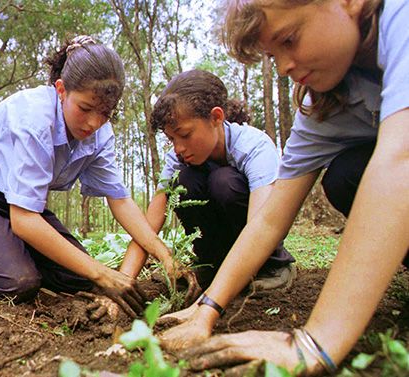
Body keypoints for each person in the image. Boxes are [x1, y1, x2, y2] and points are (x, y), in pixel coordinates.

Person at [159, 0, 409, 375]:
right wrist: (206, 309)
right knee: (345, 176)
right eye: (273, 55)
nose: (283, 67)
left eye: (289, 39)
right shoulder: (324, 103)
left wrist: (316, 340)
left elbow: (399, 159)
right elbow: (269, 219)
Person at [0, 36, 196, 318]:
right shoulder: (34, 118)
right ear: (61, 90)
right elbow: (24, 222)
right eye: (84, 108)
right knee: (18, 283)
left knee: (79, 278)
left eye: (105, 113)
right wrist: (103, 273)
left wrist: (163, 253)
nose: (93, 123)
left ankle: (0, 247)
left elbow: (119, 200)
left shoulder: (101, 136)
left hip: (19, 203)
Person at [120, 69, 295, 296]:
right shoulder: (177, 158)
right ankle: (210, 267)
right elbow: (151, 222)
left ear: (216, 117)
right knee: (184, 180)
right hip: (220, 253)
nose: (178, 148)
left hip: (257, 244)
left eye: (185, 135)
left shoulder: (254, 147)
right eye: (172, 139)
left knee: (224, 181)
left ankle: (273, 268)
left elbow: (262, 224)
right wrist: (124, 281)